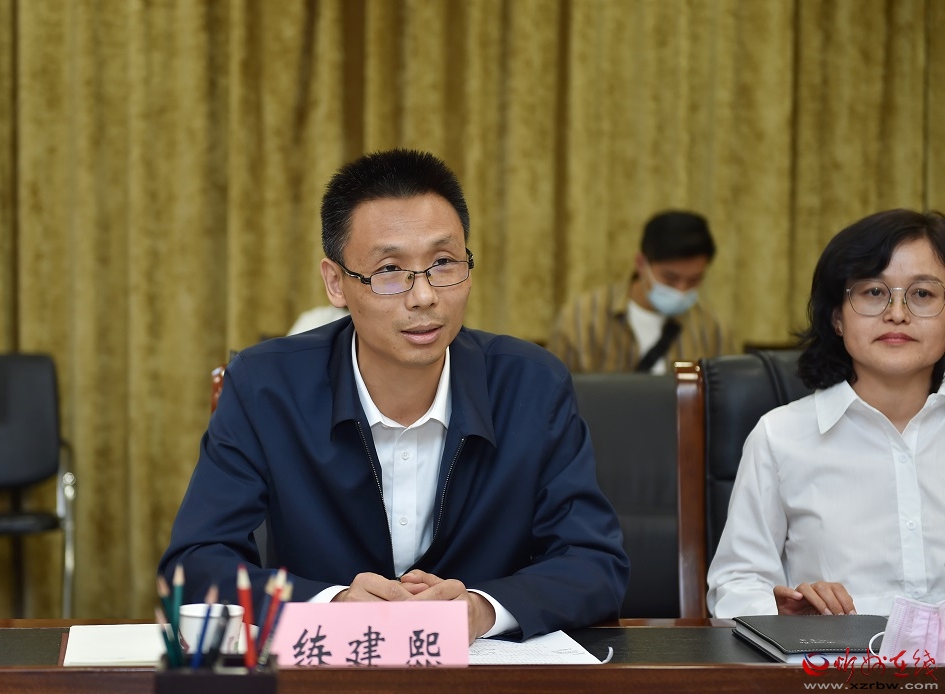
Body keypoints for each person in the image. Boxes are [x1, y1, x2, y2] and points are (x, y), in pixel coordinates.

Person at [159, 149, 630, 643]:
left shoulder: (531, 385)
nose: (424, 296)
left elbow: (594, 563)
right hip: (326, 669)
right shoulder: (265, 386)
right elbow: (196, 564)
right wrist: (331, 605)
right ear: (336, 283)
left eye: (443, 263)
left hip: (480, 671)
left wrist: (481, 609)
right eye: (389, 269)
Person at [707, 209, 945, 618]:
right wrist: (781, 615)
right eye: (874, 292)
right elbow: (734, 587)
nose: (897, 313)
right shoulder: (780, 437)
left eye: (922, 294)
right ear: (837, 318)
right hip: (833, 657)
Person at [549, 210, 730, 373]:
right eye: (670, 278)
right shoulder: (581, 319)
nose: (681, 290)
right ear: (641, 263)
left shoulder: (711, 329)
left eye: (694, 280)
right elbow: (554, 390)